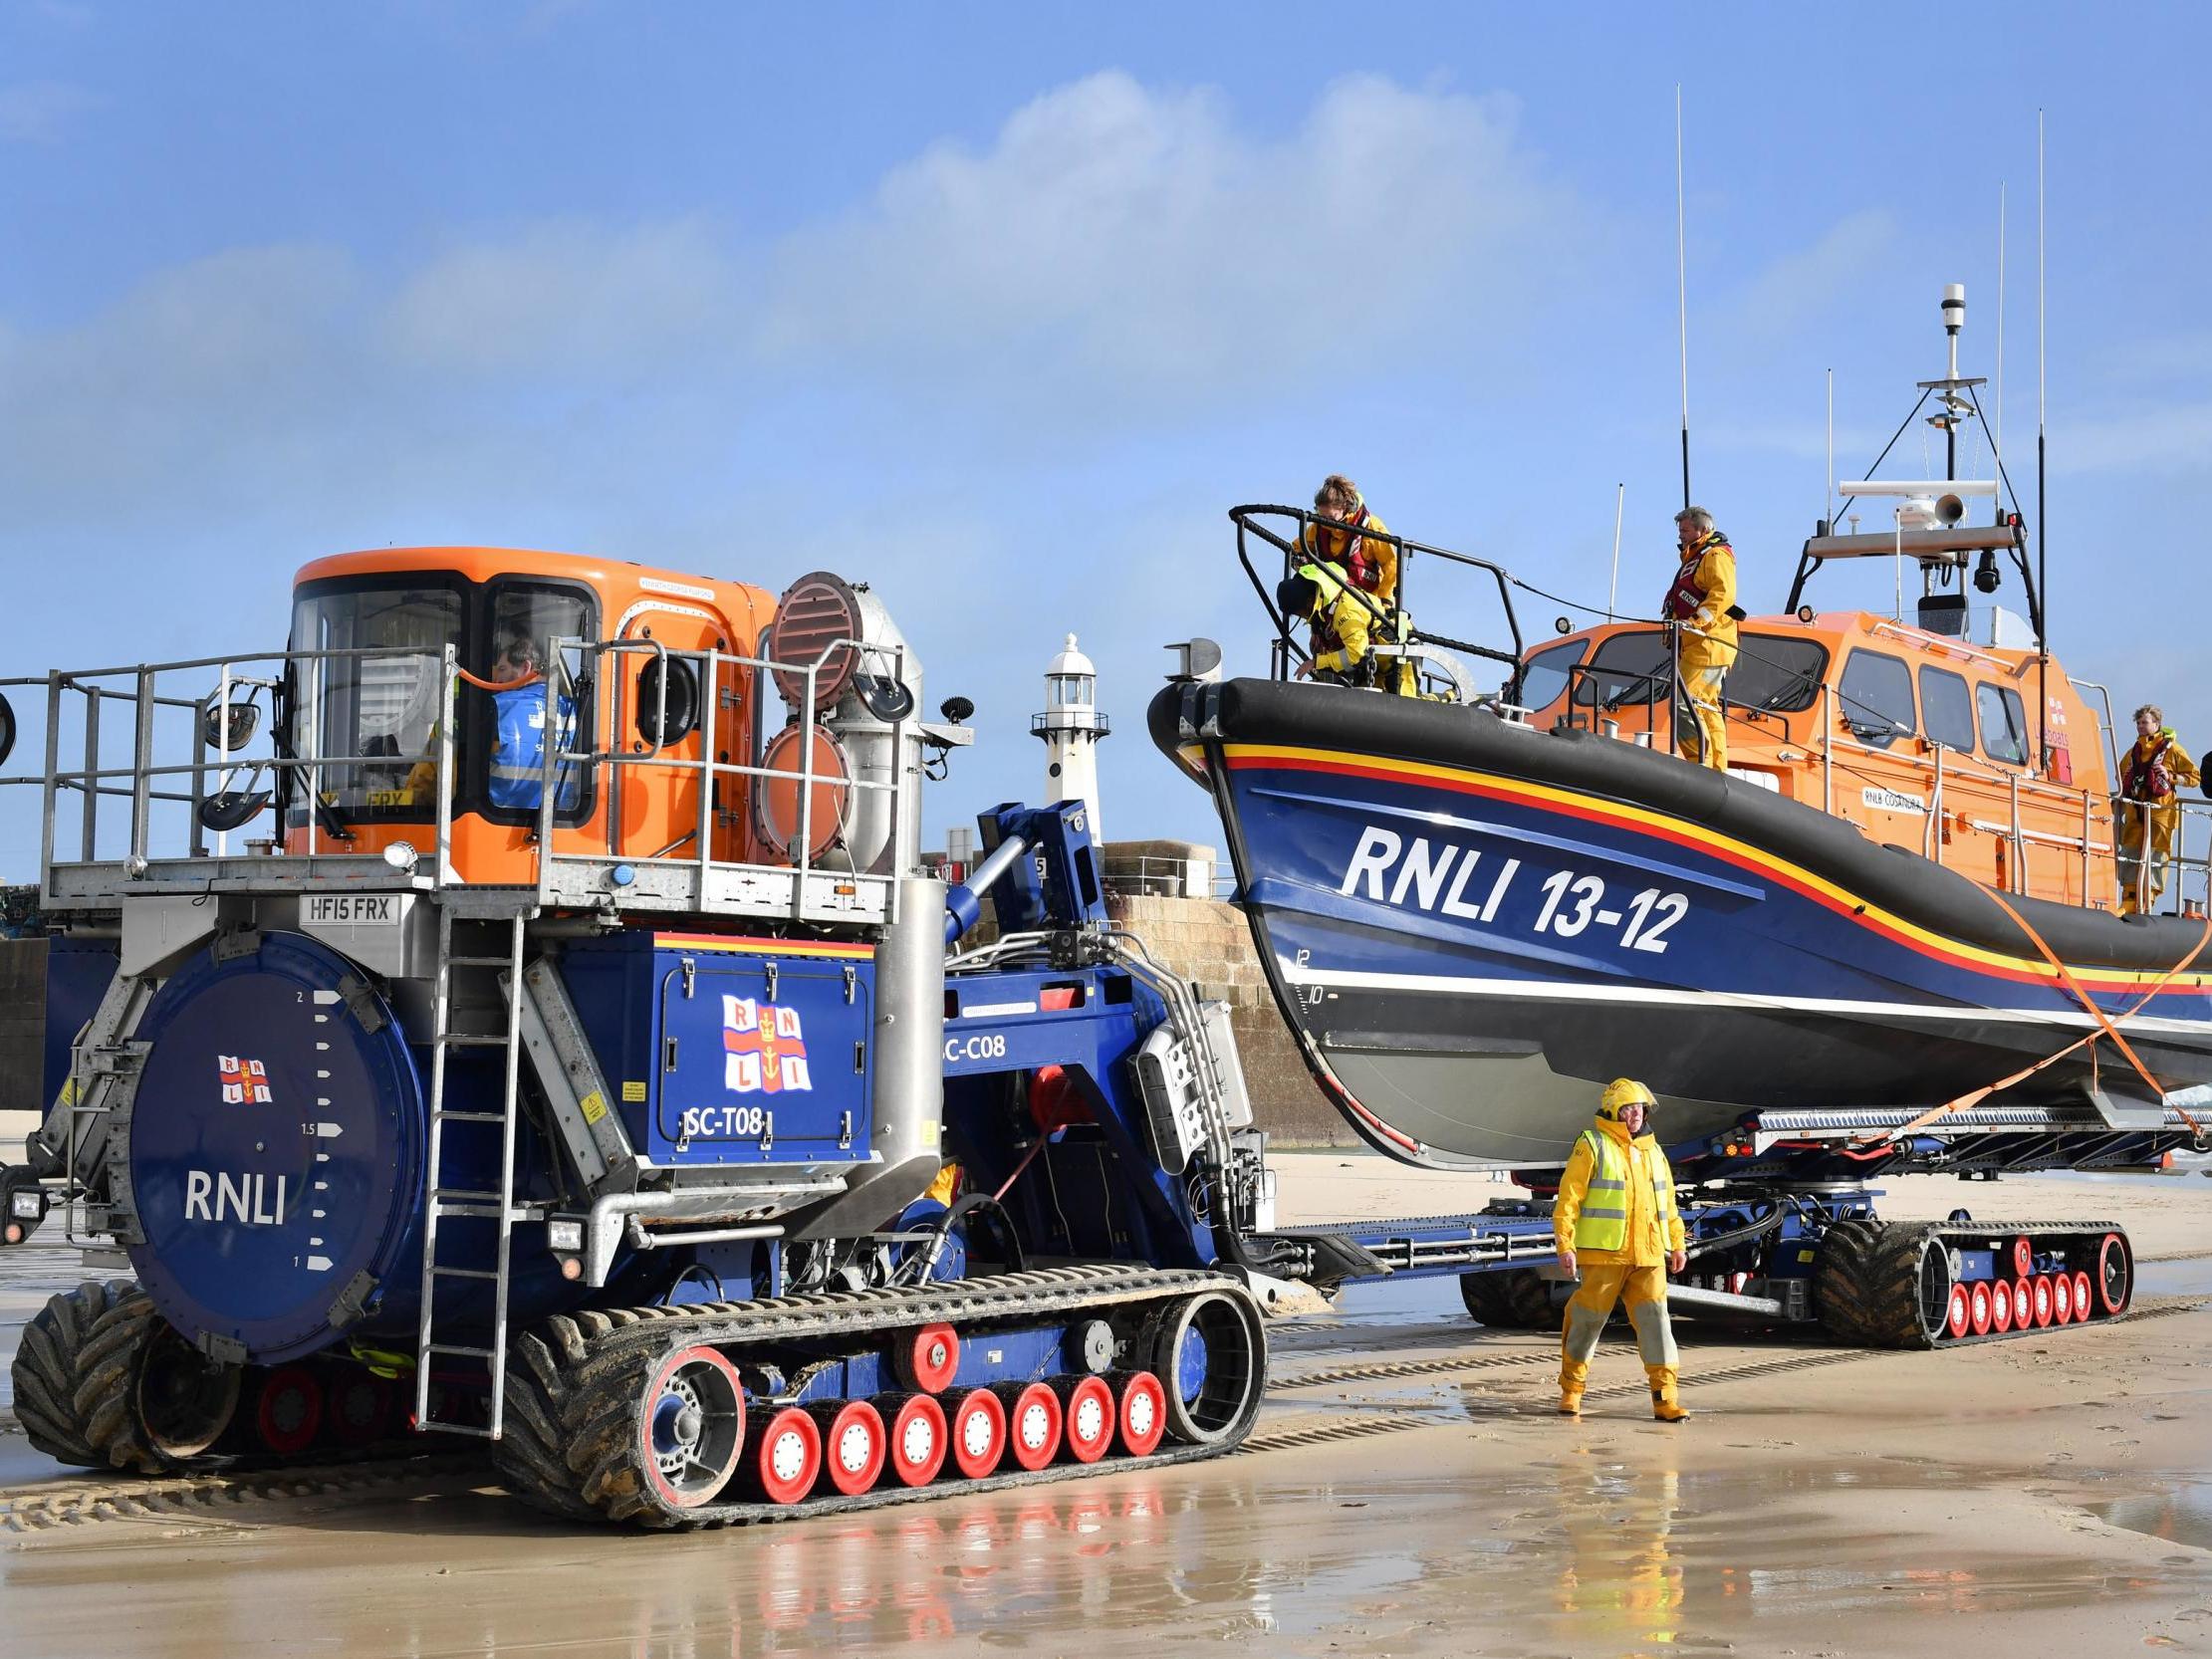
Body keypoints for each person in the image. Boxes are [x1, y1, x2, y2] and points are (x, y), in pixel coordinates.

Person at [1553, 1077, 1690, 1422]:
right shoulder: (1593, 1145)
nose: (1635, 1116)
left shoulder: (1654, 1152)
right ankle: (1572, 1392)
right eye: (1629, 1109)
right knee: (1587, 1322)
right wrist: (1565, 1245)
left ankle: (1665, 1399)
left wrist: (1677, 1244)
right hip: (1605, 1256)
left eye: (1640, 1109)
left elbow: (1668, 1205)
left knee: (1657, 1325)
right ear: (1614, 1110)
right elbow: (1569, 1199)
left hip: (1649, 1256)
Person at [1662, 507, 1740, 772]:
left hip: (1710, 644)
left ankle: (1700, 763)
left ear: (1702, 530)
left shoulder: (1716, 556)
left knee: (1683, 702)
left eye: (1685, 530)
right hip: (1700, 645)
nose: (1681, 536)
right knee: (1705, 706)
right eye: (1680, 531)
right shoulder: (1693, 559)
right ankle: (1716, 767)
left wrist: (1696, 623)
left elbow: (1723, 593)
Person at [2115, 703, 2200, 915]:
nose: (2141, 727)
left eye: (2145, 722)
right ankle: (2129, 897)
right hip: (2135, 810)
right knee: (2131, 851)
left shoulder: (2174, 751)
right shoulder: (2132, 752)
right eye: (2138, 723)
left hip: (2161, 812)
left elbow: (2194, 778)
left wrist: (2171, 777)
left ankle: (2148, 898)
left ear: (2157, 724)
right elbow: (2120, 775)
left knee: (2156, 855)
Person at [487, 635, 577, 812]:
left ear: (526, 667)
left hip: (498, 817)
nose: (497, 678)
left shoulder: (501, 706)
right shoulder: (574, 709)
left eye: (503, 669)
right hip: (563, 818)